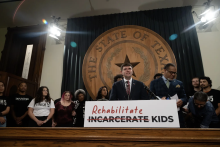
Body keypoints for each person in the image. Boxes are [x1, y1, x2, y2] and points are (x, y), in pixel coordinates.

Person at [150, 63, 187, 128]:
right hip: (160, 114)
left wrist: (182, 101)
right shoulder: (154, 82)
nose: (173, 74)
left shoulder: (179, 83)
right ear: (165, 70)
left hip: (176, 113)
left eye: (175, 73)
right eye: (171, 72)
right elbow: (150, 97)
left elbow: (184, 97)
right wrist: (160, 100)